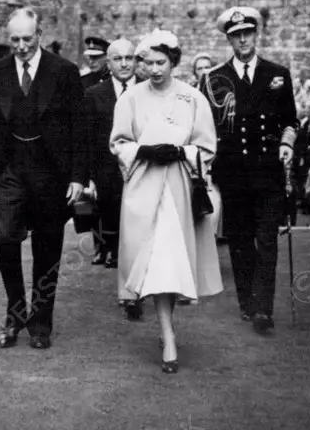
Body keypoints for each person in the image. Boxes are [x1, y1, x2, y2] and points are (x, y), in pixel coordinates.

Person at [110, 29, 222, 374]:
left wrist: (180, 151)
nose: (154, 70)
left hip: (177, 190)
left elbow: (207, 148)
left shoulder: (192, 98)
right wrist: (143, 150)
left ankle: (167, 331)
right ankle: (168, 335)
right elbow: (118, 142)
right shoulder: (130, 98)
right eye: (148, 63)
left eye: (161, 63)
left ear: (174, 61)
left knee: (171, 263)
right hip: (143, 187)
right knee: (153, 262)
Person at [0, 6, 87, 350]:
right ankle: (15, 312)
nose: (21, 46)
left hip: (51, 172)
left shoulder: (65, 72)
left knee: (47, 248)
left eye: (27, 39)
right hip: (10, 170)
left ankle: (40, 323)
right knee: (5, 238)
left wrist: (78, 176)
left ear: (39, 36)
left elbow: (79, 127)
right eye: (14, 40)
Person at [200, 6, 298, 335]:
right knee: (240, 240)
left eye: (248, 33)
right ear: (228, 38)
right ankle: (247, 300)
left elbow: (291, 120)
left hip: (268, 171)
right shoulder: (214, 78)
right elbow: (205, 126)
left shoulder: (277, 74)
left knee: (267, 240)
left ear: (256, 34)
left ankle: (263, 309)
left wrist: (286, 144)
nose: (242, 39)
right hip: (234, 173)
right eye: (236, 35)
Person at [83, 38, 141, 301]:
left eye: (130, 58)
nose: (125, 64)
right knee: (111, 221)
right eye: (118, 59)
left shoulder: (148, 89)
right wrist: (89, 178)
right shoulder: (95, 94)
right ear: (109, 63)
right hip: (108, 173)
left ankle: (136, 282)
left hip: (142, 171)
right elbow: (88, 138)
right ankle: (125, 285)